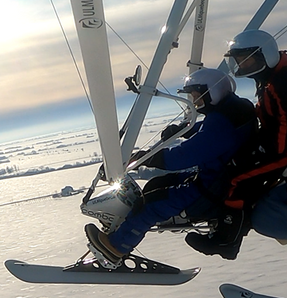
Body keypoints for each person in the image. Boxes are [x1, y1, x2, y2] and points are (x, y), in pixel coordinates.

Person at [184, 29, 287, 259]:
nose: (242, 66)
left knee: (238, 179)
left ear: (264, 56)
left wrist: (261, 151)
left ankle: (226, 240)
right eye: (238, 61)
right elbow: (274, 119)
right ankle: (229, 229)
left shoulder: (285, 83)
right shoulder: (280, 78)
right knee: (238, 168)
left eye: (246, 60)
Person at [85, 68, 256, 266]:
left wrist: (148, 158)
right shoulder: (235, 109)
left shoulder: (221, 122)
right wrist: (186, 129)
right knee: (156, 185)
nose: (195, 102)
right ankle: (125, 225)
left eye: (197, 96)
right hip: (218, 176)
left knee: (151, 205)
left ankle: (115, 248)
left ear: (213, 91)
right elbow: (209, 132)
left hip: (212, 190)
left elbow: (185, 156)